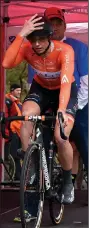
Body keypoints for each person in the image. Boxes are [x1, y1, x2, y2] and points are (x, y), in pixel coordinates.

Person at [2, 14, 78, 206]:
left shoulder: (64, 50)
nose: (36, 44)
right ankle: (32, 166)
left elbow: (66, 81)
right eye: (33, 40)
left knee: (61, 136)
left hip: (64, 90)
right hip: (41, 89)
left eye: (41, 39)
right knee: (26, 116)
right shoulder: (27, 48)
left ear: (50, 38)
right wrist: (21, 34)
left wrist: (61, 109)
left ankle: (68, 182)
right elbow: (6, 63)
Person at [44, 7, 88, 186]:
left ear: (65, 25)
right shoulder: (39, 47)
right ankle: (42, 185)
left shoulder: (78, 47)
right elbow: (34, 83)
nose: (54, 28)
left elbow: (86, 81)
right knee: (46, 141)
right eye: (50, 24)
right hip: (52, 103)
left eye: (58, 23)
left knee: (84, 143)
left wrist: (76, 107)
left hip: (78, 103)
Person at [5, 84, 22, 180]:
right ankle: (14, 176)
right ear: (12, 91)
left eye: (20, 90)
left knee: (18, 156)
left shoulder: (19, 103)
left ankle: (18, 177)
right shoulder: (8, 100)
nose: (19, 92)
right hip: (12, 132)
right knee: (13, 156)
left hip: (19, 133)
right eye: (17, 90)